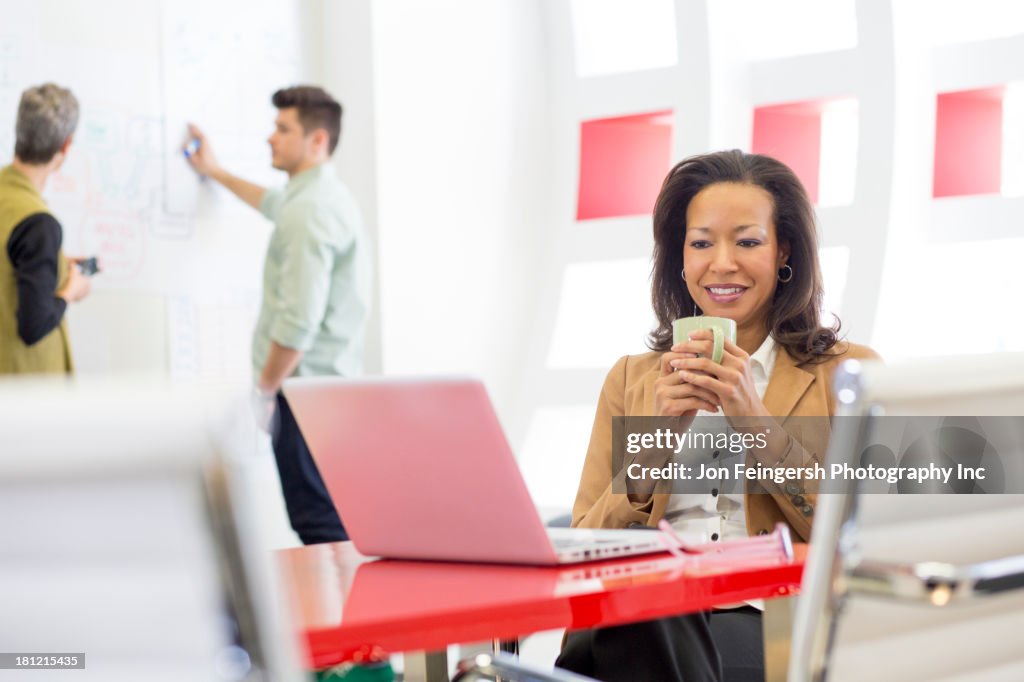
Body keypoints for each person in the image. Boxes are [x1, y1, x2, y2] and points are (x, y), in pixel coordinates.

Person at [556, 150, 878, 681]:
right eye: (701, 243)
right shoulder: (633, 380)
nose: (722, 263)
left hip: (766, 622)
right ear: (679, 260)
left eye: (747, 242)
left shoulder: (847, 375)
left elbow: (862, 540)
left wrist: (758, 426)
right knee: (639, 619)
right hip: (634, 621)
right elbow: (587, 542)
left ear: (783, 252)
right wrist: (656, 443)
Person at [184, 85, 371, 546]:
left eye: (283, 129)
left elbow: (298, 325)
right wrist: (215, 171)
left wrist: (264, 390)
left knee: (320, 526)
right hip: (325, 393)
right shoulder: (314, 198)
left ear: (317, 141)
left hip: (304, 395)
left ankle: (339, 617)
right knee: (325, 520)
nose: (271, 138)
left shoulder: (308, 212)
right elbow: (271, 203)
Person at [1, 83, 91, 375]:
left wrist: (54, 266)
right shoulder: (38, 224)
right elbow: (34, 325)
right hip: (24, 395)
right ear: (65, 145)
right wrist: (70, 290)